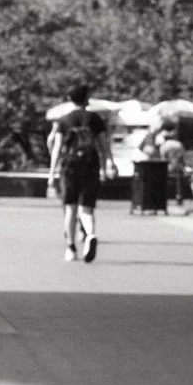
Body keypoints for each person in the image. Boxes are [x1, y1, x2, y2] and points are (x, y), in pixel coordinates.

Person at [48, 84, 116, 262]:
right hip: (90, 165)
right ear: (87, 98)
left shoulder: (64, 120)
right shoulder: (95, 119)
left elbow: (56, 148)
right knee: (87, 208)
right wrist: (109, 163)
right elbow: (103, 145)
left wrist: (51, 172)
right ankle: (90, 234)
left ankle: (71, 248)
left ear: (70, 99)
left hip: (70, 166)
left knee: (70, 207)